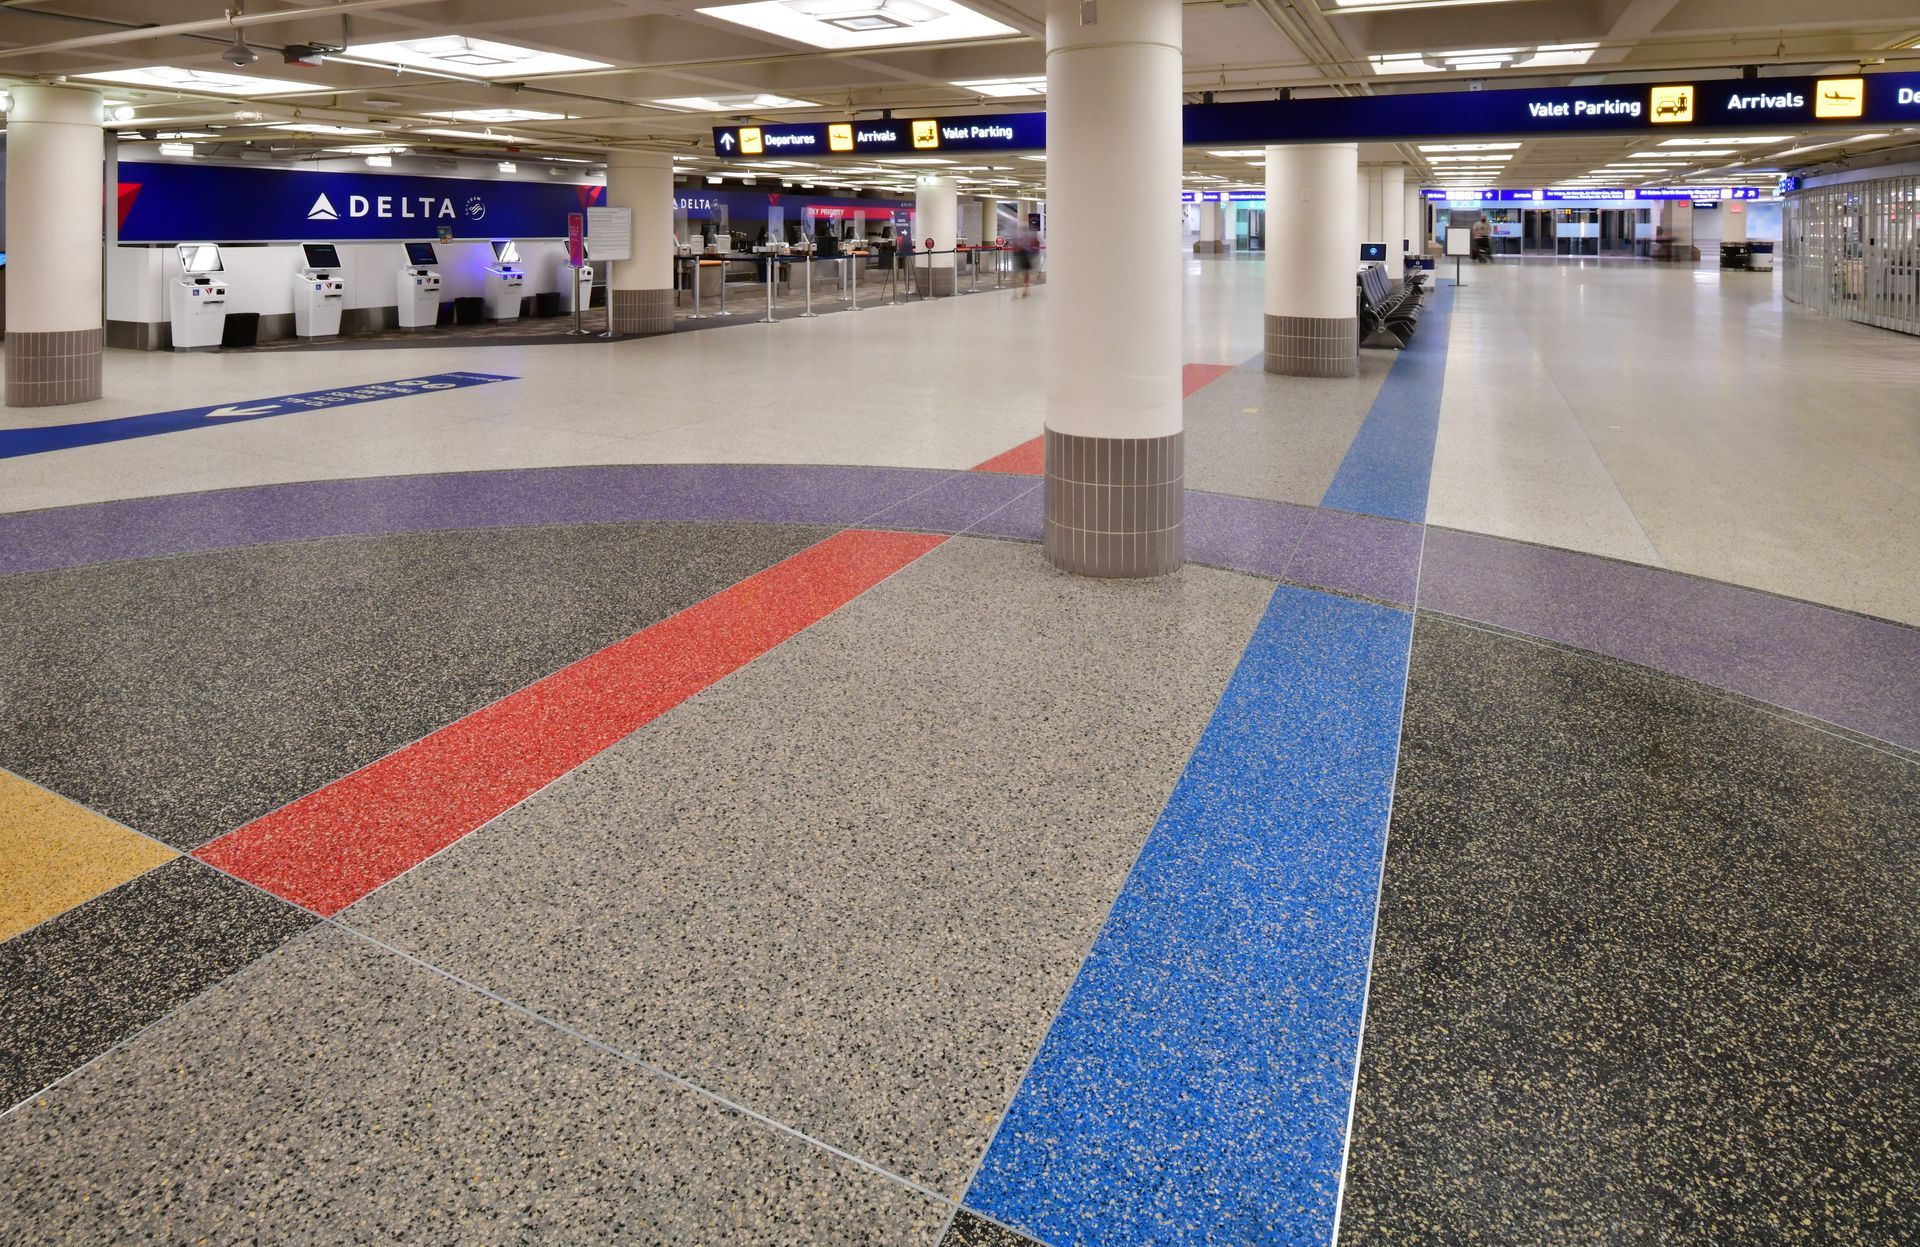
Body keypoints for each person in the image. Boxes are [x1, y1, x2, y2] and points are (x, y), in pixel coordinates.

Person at [1013, 227, 1038, 296]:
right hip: (1020, 255)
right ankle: (1021, 291)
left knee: (1024, 273)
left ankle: (1025, 290)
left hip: (1024, 254)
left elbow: (1034, 246)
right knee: (1019, 273)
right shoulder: (1019, 237)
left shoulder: (1028, 237)